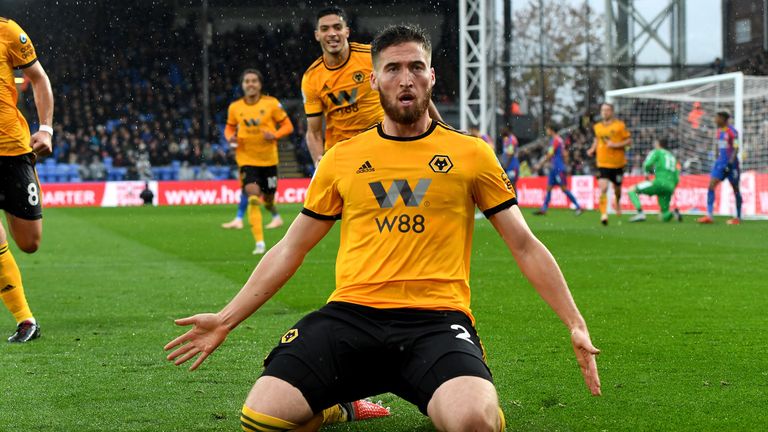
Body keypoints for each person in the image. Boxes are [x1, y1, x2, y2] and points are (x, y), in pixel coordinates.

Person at [165, 24, 601, 432]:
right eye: (392, 68)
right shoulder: (342, 158)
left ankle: (450, 394)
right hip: (351, 315)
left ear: (431, 77)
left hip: (436, 320)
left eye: (415, 67)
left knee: (473, 422)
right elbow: (290, 248)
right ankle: (339, 405)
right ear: (374, 81)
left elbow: (524, 244)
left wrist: (575, 323)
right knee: (262, 417)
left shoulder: (471, 154)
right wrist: (225, 319)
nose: (404, 78)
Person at [301, 6, 441, 165]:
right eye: (325, 29)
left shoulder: (371, 57)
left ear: (346, 32)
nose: (332, 33)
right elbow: (314, 131)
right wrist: (318, 161)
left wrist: (443, 129)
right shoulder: (311, 77)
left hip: (382, 146)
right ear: (317, 35)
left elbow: (416, 94)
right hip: (342, 156)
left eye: (337, 27)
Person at [0, 18, 54, 342]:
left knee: (29, 243)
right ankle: (25, 319)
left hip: (14, 151)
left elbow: (38, 78)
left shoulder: (8, 32)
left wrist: (45, 128)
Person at [219, 69, 294, 254]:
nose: (250, 84)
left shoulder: (271, 104)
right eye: (247, 81)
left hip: (268, 160)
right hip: (246, 159)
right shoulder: (235, 107)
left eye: (254, 81)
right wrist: (230, 138)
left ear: (260, 85)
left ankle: (273, 212)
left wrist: (275, 135)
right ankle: (260, 243)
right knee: (253, 196)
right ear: (242, 85)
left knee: (267, 199)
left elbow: (288, 126)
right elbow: (228, 128)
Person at [588, 103, 631, 225]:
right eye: (603, 110)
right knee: (603, 188)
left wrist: (615, 145)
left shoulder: (620, 126)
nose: (604, 112)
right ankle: (603, 214)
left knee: (617, 189)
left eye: (607, 110)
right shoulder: (597, 127)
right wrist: (592, 149)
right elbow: (597, 140)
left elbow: (629, 141)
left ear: (611, 112)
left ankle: (617, 201)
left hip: (617, 164)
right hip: (602, 163)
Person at [697, 112, 742, 224]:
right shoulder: (719, 132)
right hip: (720, 164)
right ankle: (709, 215)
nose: (715, 120)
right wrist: (717, 158)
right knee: (711, 185)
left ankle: (738, 217)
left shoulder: (733, 132)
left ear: (723, 119)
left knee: (736, 189)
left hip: (732, 166)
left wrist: (730, 164)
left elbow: (736, 148)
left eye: (717, 118)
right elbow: (719, 147)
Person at [628, 138, 682, 223]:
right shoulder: (673, 158)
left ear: (658, 144)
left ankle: (640, 213)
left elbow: (647, 164)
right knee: (664, 215)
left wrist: (648, 173)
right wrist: (672, 186)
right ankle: (673, 212)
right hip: (670, 186)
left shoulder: (657, 152)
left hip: (659, 182)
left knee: (631, 190)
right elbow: (677, 177)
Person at [533, 125, 582, 216]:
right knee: (549, 188)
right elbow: (564, 154)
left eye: (547, 129)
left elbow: (550, 154)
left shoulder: (555, 140)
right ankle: (544, 209)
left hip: (558, 168)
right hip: (554, 168)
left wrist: (540, 164)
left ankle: (578, 206)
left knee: (564, 189)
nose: (546, 131)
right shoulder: (558, 140)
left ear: (551, 130)